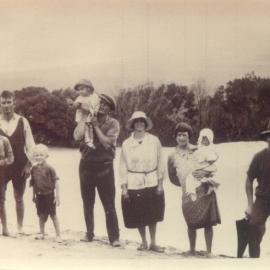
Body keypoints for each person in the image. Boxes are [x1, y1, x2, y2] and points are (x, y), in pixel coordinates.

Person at [74, 93, 120, 247]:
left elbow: (107, 143)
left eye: (105, 105)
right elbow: (76, 136)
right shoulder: (87, 118)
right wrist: (85, 118)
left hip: (105, 168)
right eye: (100, 103)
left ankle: (114, 238)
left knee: (109, 205)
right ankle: (89, 234)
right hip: (86, 166)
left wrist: (95, 125)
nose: (101, 106)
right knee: (87, 203)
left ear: (110, 109)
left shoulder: (114, 123)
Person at [167, 123, 220, 257]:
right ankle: (192, 249)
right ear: (175, 137)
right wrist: (184, 184)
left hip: (203, 189)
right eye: (179, 135)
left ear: (189, 136)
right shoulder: (172, 155)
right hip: (187, 191)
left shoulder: (198, 149)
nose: (181, 138)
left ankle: (209, 251)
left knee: (208, 222)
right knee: (190, 221)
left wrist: (203, 175)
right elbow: (172, 176)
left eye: (184, 135)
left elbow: (213, 167)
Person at [119, 111, 165, 252]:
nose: (139, 123)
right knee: (139, 214)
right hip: (134, 182)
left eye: (142, 121)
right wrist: (124, 188)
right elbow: (122, 166)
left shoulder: (154, 140)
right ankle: (143, 242)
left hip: (151, 181)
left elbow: (160, 162)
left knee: (153, 214)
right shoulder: (126, 143)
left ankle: (153, 242)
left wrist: (160, 184)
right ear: (133, 124)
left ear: (145, 123)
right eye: (136, 121)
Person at [0, 90, 35, 235]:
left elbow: (31, 145)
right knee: (0, 199)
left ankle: (20, 228)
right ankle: (5, 229)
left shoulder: (23, 121)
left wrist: (29, 165)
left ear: (14, 102)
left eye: (9, 102)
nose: (6, 105)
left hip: (20, 165)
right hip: (1, 166)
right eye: (3, 102)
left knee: (19, 197)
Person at [245, 123, 270, 258]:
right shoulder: (259, 157)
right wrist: (250, 205)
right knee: (254, 228)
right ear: (267, 138)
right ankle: (254, 262)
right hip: (262, 200)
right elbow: (249, 180)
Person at [29, 144, 61, 242]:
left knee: (53, 215)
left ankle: (58, 235)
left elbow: (56, 182)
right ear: (34, 156)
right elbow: (33, 183)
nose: (39, 157)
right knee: (41, 215)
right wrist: (33, 195)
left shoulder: (50, 168)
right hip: (39, 196)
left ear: (46, 156)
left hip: (49, 195)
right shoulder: (33, 169)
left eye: (41, 155)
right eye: (37, 155)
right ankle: (42, 233)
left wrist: (57, 196)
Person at [185, 128, 219, 200]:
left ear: (210, 139)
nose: (205, 141)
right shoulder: (199, 148)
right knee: (190, 178)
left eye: (207, 139)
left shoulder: (212, 148)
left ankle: (212, 187)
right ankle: (192, 192)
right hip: (198, 167)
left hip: (208, 167)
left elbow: (213, 159)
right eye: (203, 138)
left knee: (214, 176)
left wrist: (206, 170)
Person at [73, 79, 100, 149]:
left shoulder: (94, 97)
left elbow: (96, 105)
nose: (80, 91)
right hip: (82, 116)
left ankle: (91, 141)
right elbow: (76, 104)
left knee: (90, 128)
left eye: (82, 89)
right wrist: (76, 104)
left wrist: (94, 111)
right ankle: (87, 141)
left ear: (89, 89)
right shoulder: (80, 97)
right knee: (85, 129)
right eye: (79, 90)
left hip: (91, 115)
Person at [0, 134, 14, 235]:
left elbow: (11, 157)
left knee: (1, 201)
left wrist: (3, 161)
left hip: (1, 173)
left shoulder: (4, 140)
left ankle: (5, 229)